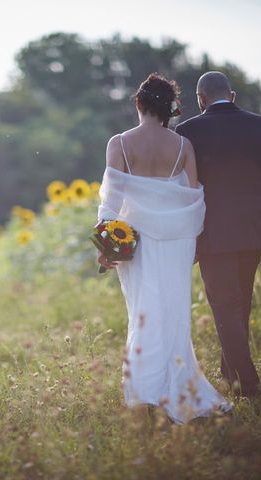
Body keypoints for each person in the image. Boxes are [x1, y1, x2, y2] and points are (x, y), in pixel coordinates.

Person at [96, 73, 232, 424]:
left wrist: (108, 246)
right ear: (171, 108)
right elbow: (192, 197)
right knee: (173, 310)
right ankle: (176, 385)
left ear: (139, 103)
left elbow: (111, 203)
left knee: (142, 309)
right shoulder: (183, 146)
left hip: (136, 240)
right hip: (176, 241)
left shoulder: (120, 143)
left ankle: (144, 391)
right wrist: (192, 237)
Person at [174, 71, 261, 398]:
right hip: (254, 229)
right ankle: (231, 374)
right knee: (241, 302)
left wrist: (186, 237)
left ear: (201, 99)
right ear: (233, 95)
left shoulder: (188, 131)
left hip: (213, 234)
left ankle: (247, 382)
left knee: (226, 306)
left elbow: (185, 190)